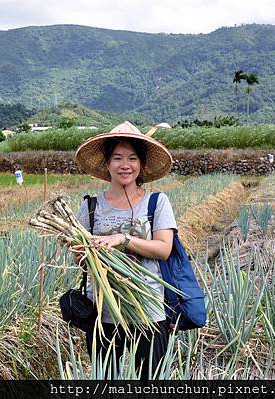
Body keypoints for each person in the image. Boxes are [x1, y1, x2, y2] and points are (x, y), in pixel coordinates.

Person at [73, 121, 177, 380]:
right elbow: (79, 259)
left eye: (132, 158)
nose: (125, 165)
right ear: (107, 163)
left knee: (150, 382)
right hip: (104, 313)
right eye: (117, 157)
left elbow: (164, 249)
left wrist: (123, 239)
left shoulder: (157, 202)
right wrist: (84, 251)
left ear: (141, 164)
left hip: (148, 311)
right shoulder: (90, 207)